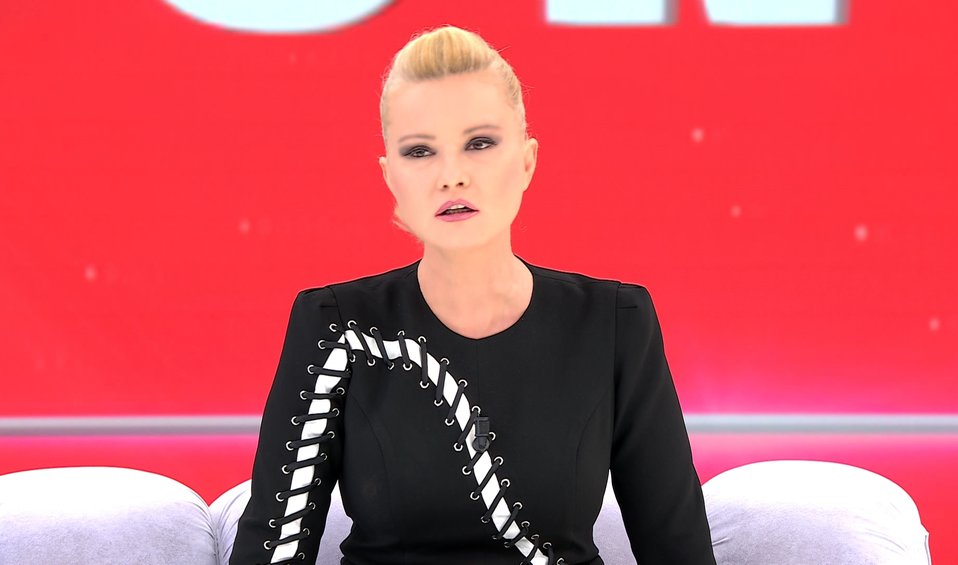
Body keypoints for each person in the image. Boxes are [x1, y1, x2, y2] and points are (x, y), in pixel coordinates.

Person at [229, 25, 716, 565]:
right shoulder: (335, 326)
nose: (451, 176)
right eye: (420, 151)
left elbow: (678, 547)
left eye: (479, 144)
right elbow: (270, 549)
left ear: (527, 161)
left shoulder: (614, 323)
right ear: (390, 177)